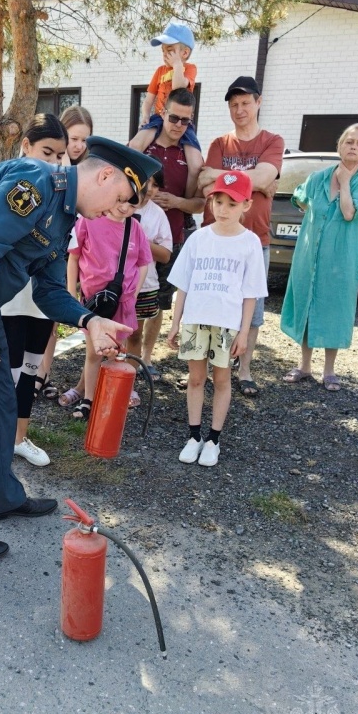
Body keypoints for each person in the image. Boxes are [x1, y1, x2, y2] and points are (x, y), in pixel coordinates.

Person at [0, 136, 161, 561]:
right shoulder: (36, 183)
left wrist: (89, 319)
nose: (116, 211)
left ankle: (2, 496)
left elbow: (48, 290)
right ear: (104, 175)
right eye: (119, 198)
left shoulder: (65, 216)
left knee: (1, 403)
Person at [167, 170, 268, 466]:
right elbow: (183, 285)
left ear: (246, 205)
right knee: (196, 378)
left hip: (227, 324)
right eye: (218, 202)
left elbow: (251, 294)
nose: (223, 210)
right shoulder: (198, 239)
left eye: (232, 204)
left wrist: (242, 332)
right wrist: (175, 323)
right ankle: (194, 435)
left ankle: (213, 440)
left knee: (222, 379)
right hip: (195, 320)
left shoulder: (249, 243)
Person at [197, 76, 284, 397]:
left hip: (255, 238)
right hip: (215, 237)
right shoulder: (220, 144)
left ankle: (244, 370)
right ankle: (205, 368)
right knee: (212, 301)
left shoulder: (272, 141)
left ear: (258, 102)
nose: (240, 109)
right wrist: (255, 181)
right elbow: (206, 187)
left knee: (253, 310)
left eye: (245, 103)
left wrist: (222, 176)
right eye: (234, 105)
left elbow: (265, 175)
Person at [280, 124, 358, 391]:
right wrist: (304, 202)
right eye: (348, 141)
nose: (353, 146)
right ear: (339, 146)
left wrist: (345, 182)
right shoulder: (319, 176)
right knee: (308, 303)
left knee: (336, 307)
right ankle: (304, 365)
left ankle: (330, 370)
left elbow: (349, 213)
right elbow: (299, 197)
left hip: (341, 258)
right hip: (309, 255)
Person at [0, 114, 68, 467]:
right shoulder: (11, 188)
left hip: (40, 301)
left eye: (60, 155)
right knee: (5, 375)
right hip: (9, 300)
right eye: (47, 152)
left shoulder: (61, 196)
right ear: (25, 146)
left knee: (29, 372)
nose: (55, 162)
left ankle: (19, 439)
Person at [66, 191, 153, 419]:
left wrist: (134, 293)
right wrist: (70, 290)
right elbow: (73, 257)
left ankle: (112, 397)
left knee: (117, 353)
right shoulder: (89, 220)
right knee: (94, 352)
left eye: (132, 205)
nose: (124, 208)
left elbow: (143, 262)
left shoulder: (134, 228)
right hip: (93, 301)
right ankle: (89, 400)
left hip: (122, 303)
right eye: (121, 200)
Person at [142, 87, 205, 377]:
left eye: (185, 121)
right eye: (174, 118)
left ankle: (146, 357)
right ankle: (127, 354)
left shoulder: (190, 154)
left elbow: (199, 203)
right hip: (137, 236)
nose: (179, 125)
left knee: (158, 305)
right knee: (134, 298)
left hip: (172, 239)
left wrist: (176, 201)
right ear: (163, 113)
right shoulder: (147, 145)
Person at [35, 105, 94, 403]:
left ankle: (43, 373)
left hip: (72, 249)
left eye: (85, 140)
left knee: (54, 319)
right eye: (74, 138)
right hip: (51, 253)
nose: (78, 145)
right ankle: (37, 373)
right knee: (42, 317)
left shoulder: (84, 170)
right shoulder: (54, 171)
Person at [129, 21, 202, 198]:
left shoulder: (189, 69)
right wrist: (145, 115)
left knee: (196, 164)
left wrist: (178, 66)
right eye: (163, 51)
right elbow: (149, 99)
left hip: (181, 119)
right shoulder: (160, 71)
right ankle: (130, 189)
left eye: (170, 51)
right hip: (158, 117)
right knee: (134, 146)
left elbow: (178, 88)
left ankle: (187, 206)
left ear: (184, 53)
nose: (165, 55)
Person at [126, 170, 173, 390]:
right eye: (146, 183)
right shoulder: (120, 203)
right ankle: (98, 379)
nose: (149, 190)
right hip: (114, 283)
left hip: (145, 284)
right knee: (111, 333)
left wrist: (139, 239)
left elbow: (165, 254)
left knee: (135, 332)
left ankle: (129, 381)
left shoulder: (157, 214)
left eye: (155, 185)